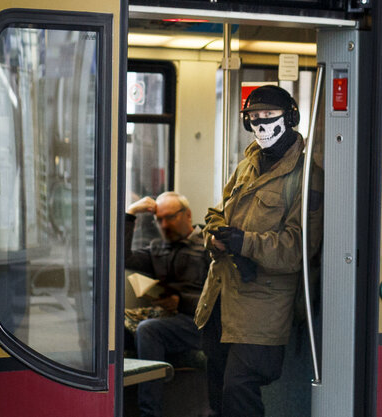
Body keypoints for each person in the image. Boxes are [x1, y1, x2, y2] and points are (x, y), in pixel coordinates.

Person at [195, 85, 305, 417]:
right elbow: (218, 211)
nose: (260, 123)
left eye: (268, 115)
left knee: (238, 389)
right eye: (254, 117)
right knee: (217, 391)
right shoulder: (247, 164)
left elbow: (297, 248)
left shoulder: (304, 175)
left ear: (290, 118)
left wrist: (245, 242)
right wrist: (213, 235)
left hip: (262, 308)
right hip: (219, 298)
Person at [124, 191, 208, 417]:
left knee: (148, 329)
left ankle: (149, 413)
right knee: (115, 326)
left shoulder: (207, 247)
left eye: (169, 217)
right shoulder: (158, 248)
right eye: (159, 220)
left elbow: (219, 298)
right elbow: (122, 257)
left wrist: (180, 303)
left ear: (187, 215)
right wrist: (131, 213)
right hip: (171, 320)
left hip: (198, 323)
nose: (163, 224)